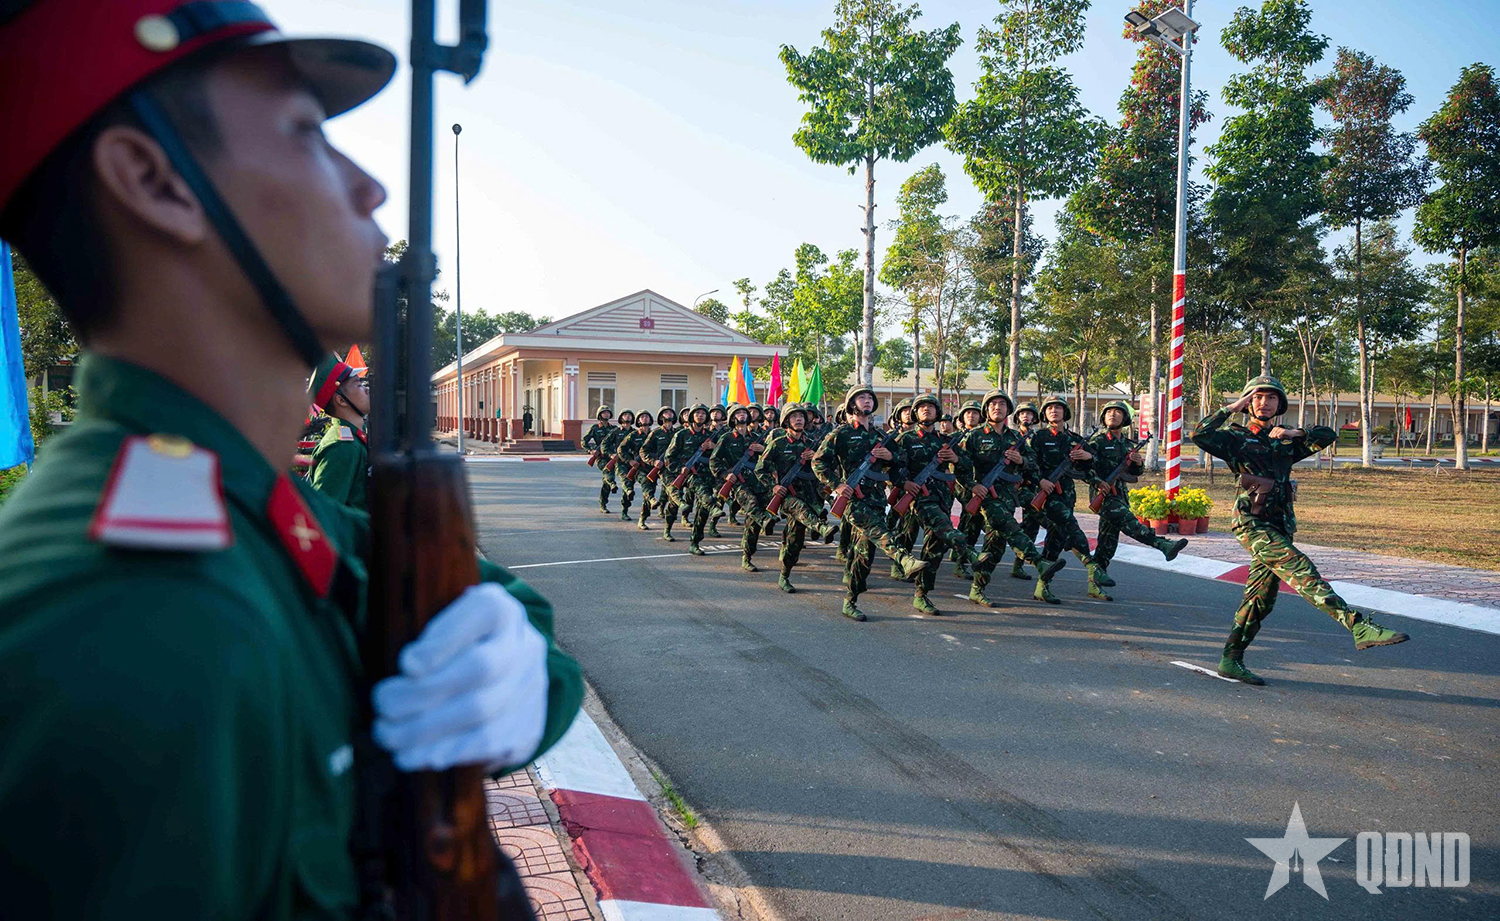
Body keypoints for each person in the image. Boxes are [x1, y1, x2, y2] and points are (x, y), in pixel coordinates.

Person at [0, 4, 582, 915]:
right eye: (311, 135)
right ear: (155, 181)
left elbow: (496, 610)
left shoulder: (241, 511)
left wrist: (521, 663)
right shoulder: (125, 627)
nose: (371, 189)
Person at [1193, 376, 1409, 685]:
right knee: (1301, 568)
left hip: (1281, 525)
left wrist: (1297, 432)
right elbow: (1199, 433)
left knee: (1259, 600)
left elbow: (1328, 434)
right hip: (1252, 523)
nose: (1263, 402)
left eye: (1271, 398)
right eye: (1257, 397)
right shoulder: (1235, 438)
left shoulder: (1286, 440)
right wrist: (1232, 408)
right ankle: (1357, 625)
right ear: (1248, 403)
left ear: (1280, 405)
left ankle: (1231, 659)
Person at [812, 387, 929, 621]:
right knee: (879, 530)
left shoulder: (880, 436)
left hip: (876, 498)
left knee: (865, 553)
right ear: (851, 404)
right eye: (861, 397)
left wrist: (891, 458)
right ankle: (903, 558)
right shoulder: (842, 433)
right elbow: (819, 462)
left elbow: (899, 467)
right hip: (853, 499)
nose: (866, 401)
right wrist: (836, 485)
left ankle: (850, 600)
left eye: (869, 398)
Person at [956, 390, 1064, 608]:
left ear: (1008, 410)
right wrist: (973, 486)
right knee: (1010, 525)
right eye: (993, 404)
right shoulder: (974, 436)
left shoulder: (1016, 438)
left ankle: (977, 589)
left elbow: (1033, 464)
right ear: (986, 409)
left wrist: (1021, 459)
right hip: (985, 497)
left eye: (1002, 404)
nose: (997, 407)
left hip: (1007, 497)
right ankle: (1038, 561)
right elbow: (959, 467)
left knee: (994, 547)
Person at [1085, 401, 1188, 600]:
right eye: (1108, 412)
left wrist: (1137, 464)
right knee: (1130, 522)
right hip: (1103, 495)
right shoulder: (1097, 442)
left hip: (1120, 493)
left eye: (1117, 412)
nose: (1112, 415)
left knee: (1108, 542)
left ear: (1125, 419)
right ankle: (1161, 544)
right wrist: (1097, 481)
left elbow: (1134, 474)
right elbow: (1085, 467)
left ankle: (1094, 583)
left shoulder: (1127, 444)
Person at [892, 394, 983, 615]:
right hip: (919, 499)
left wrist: (955, 459)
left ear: (937, 413)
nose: (926, 410)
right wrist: (905, 483)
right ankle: (969, 553)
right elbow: (893, 468)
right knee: (944, 527)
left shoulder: (945, 441)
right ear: (915, 413)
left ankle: (921, 595)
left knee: (934, 548)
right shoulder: (905, 439)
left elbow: (967, 466)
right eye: (921, 407)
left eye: (931, 407)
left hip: (943, 497)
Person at [1028, 397, 1112, 604]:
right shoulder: (1038, 437)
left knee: (1055, 541)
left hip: (1067, 494)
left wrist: (1088, 458)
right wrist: (1040, 481)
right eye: (1049, 408)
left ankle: (1042, 586)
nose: (1054, 411)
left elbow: (1089, 467)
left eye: (1058, 408)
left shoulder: (1075, 440)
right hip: (1046, 495)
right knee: (1070, 525)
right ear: (1044, 414)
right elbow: (1028, 463)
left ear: (1065, 413)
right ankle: (1092, 564)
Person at [758, 403, 838, 592]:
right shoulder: (778, 443)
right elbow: (760, 469)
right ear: (786, 421)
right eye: (794, 417)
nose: (799, 419)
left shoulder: (812, 442)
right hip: (787, 495)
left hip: (809, 494)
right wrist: (774, 486)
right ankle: (821, 527)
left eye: (801, 416)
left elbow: (830, 463)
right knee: (799, 510)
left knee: (796, 538)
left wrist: (815, 458)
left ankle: (785, 568)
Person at [709, 403, 774, 572]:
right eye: (738, 412)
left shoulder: (757, 437)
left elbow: (773, 458)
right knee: (751, 504)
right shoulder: (727, 438)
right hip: (738, 482)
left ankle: (747, 555)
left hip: (757, 481)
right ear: (732, 418)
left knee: (753, 523)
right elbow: (714, 461)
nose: (743, 415)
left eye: (744, 412)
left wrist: (764, 449)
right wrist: (725, 475)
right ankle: (765, 520)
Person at [306, 351, 369, 510]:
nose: (366, 390)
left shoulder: (354, 437)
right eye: (359, 384)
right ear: (341, 400)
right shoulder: (343, 448)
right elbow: (324, 514)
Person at [664, 403, 717, 555]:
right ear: (692, 416)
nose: (700, 415)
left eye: (703, 413)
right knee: (674, 504)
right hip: (684, 474)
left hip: (703, 476)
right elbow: (669, 457)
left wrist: (714, 447)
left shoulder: (710, 436)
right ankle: (668, 528)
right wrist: (679, 469)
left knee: (703, 509)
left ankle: (695, 542)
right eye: (697, 413)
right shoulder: (681, 435)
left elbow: (720, 456)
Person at [638, 405, 678, 533]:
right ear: (661, 417)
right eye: (666, 413)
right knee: (650, 493)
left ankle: (668, 525)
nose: (669, 414)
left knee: (672, 494)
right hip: (656, 467)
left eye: (670, 412)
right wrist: (653, 461)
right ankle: (643, 518)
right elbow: (643, 450)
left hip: (671, 468)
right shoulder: (655, 433)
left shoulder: (678, 433)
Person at [614, 409, 653, 523]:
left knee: (649, 491)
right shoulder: (633, 435)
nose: (644, 418)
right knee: (628, 488)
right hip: (635, 466)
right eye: (642, 417)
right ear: (638, 421)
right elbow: (621, 449)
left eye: (647, 416)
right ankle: (624, 511)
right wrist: (630, 461)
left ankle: (643, 517)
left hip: (649, 467)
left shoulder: (654, 434)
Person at [582, 404, 618, 513]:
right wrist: (591, 450)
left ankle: (603, 503)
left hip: (611, 457)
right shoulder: (595, 428)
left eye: (608, 412)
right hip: (601, 458)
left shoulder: (614, 429)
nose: (606, 414)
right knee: (608, 472)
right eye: (604, 412)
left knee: (605, 481)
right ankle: (613, 484)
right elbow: (584, 441)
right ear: (599, 415)